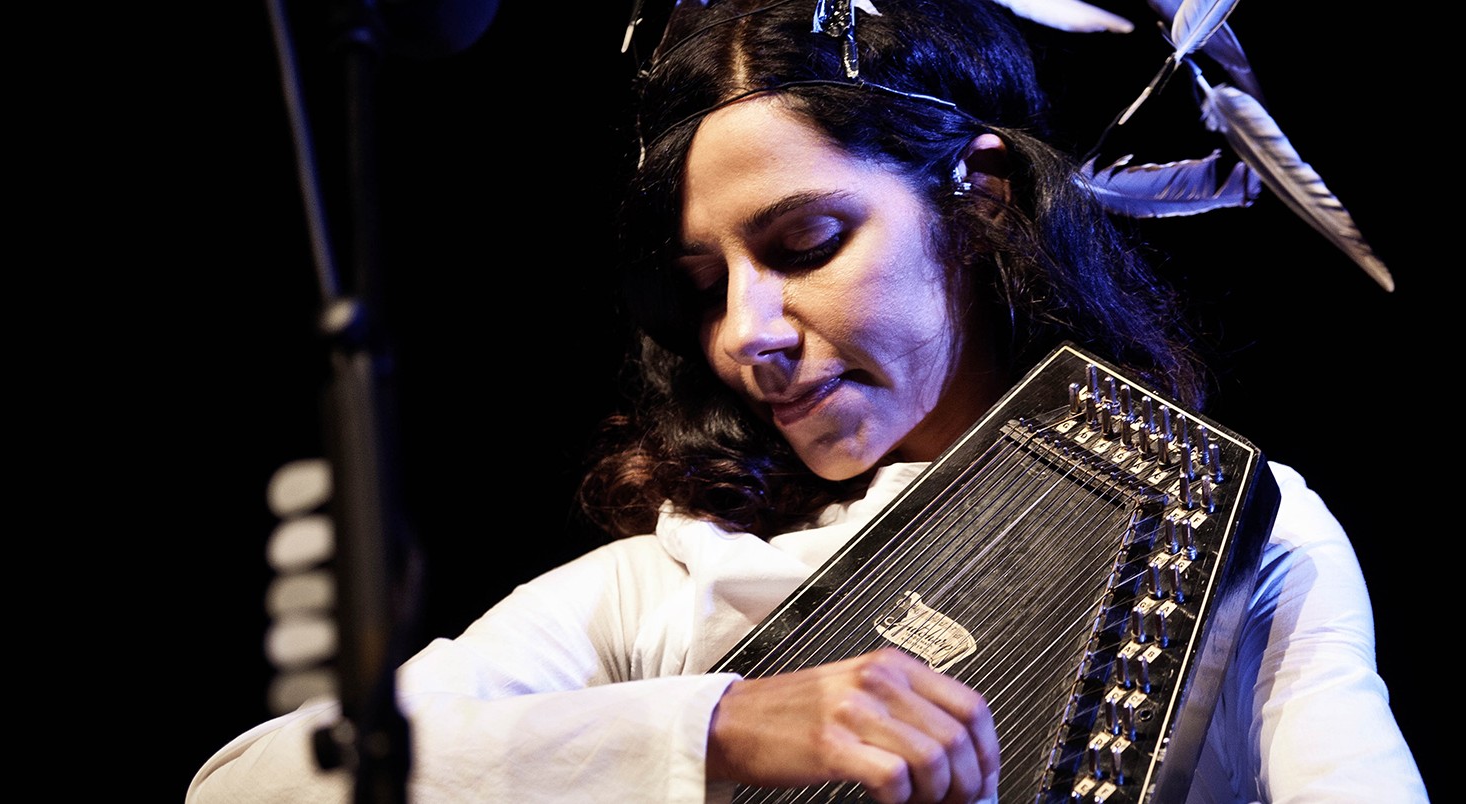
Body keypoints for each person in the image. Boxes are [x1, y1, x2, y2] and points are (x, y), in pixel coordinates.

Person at [189, 0, 1428, 801]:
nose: (744, 334)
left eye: (804, 243)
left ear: (979, 200)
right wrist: (719, 728)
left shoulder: (1229, 542)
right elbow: (249, 787)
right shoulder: (663, 594)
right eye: (704, 283)